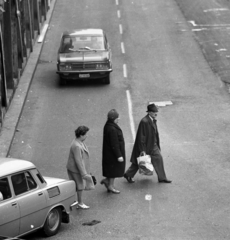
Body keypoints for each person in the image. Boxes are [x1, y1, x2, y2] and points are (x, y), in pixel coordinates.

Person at [124, 103, 172, 183]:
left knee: (158, 158)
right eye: (154, 112)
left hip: (153, 145)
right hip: (146, 146)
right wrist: (143, 150)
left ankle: (162, 178)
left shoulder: (151, 119)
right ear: (149, 112)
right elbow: (141, 137)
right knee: (139, 162)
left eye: (156, 112)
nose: (156, 113)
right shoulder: (144, 121)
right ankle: (128, 174)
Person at [66, 126, 93, 209]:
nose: (87, 136)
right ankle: (80, 203)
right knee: (80, 186)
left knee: (75, 185)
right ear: (81, 135)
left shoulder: (77, 141)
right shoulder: (77, 146)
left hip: (72, 167)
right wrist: (84, 174)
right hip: (76, 170)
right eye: (85, 134)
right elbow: (78, 161)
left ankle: (74, 201)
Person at [101, 109, 126, 194]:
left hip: (109, 153)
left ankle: (107, 181)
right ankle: (110, 186)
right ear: (114, 119)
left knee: (110, 169)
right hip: (113, 154)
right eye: (117, 118)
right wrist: (119, 155)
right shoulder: (112, 129)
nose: (118, 119)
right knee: (113, 170)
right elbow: (114, 143)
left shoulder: (108, 125)